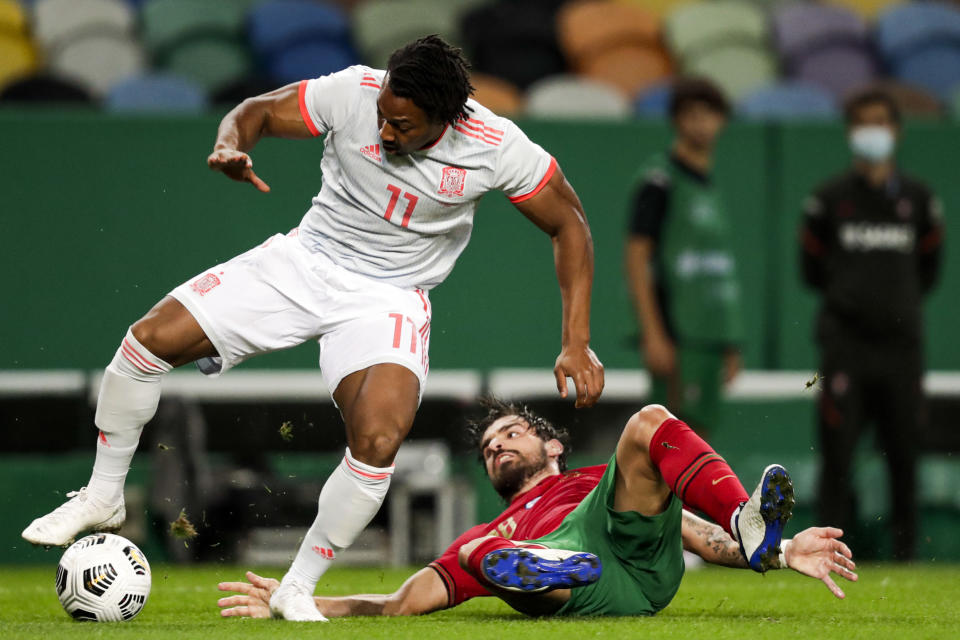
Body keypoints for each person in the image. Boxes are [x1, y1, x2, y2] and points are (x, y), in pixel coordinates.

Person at [21, 35, 605, 620]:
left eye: (402, 125)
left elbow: (571, 225)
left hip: (389, 299)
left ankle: (296, 586)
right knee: (147, 341)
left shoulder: (497, 146)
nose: (385, 132)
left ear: (446, 121)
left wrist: (575, 342)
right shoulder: (353, 91)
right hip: (305, 262)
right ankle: (102, 494)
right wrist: (230, 144)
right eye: (383, 116)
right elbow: (256, 112)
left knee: (378, 441)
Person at [216, 400, 857, 619]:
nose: (498, 446)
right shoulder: (493, 525)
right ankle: (544, 571)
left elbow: (692, 533)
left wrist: (768, 553)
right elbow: (395, 606)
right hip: (583, 584)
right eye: (490, 447)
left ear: (550, 443)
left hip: (629, 548)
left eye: (512, 434)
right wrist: (296, 599)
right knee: (478, 553)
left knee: (648, 424)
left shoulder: (596, 480)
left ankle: (752, 524)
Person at [800, 88, 944, 561]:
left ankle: (906, 556)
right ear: (850, 132)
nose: (872, 132)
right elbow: (811, 268)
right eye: (863, 123)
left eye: (881, 122)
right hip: (846, 347)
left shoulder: (921, 200)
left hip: (902, 348)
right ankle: (829, 554)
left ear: (897, 131)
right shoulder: (828, 200)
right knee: (838, 458)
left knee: (905, 454)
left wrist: (891, 306)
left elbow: (929, 267)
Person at [625, 77, 744, 435]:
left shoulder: (709, 187)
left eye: (709, 114)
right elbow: (636, 258)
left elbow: (718, 273)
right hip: (678, 337)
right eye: (691, 114)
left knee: (701, 446)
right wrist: (653, 334)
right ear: (675, 120)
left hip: (709, 338)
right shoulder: (659, 181)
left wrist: (729, 342)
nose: (701, 123)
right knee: (674, 446)